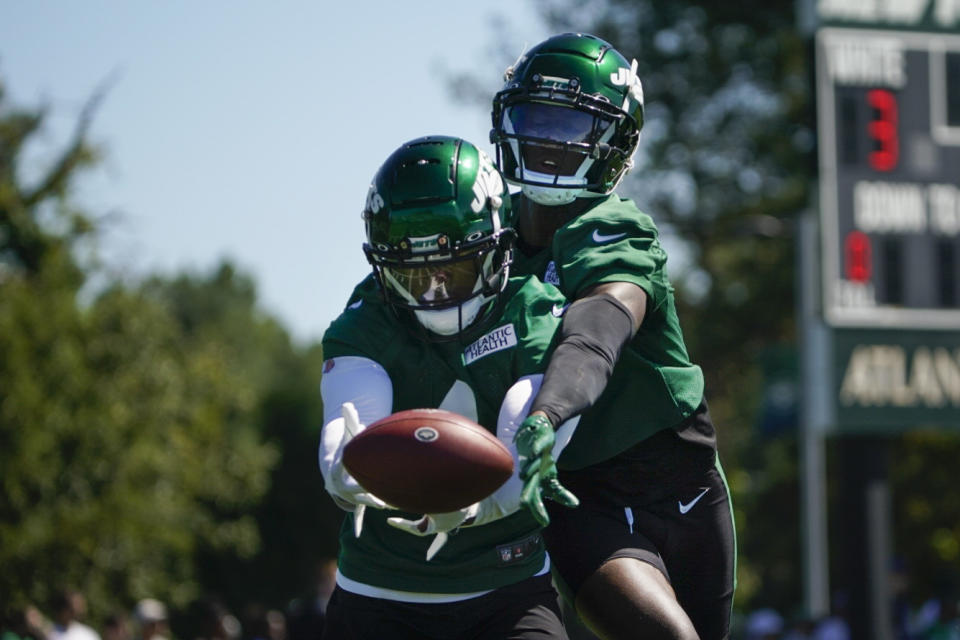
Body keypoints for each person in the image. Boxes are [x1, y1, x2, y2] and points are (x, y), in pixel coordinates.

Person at [489, 32, 737, 640]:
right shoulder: (483, 241)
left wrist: (548, 411)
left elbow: (597, 329)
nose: (548, 139)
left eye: (571, 127)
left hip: (683, 481)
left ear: (614, 143)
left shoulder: (615, 225)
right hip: (576, 491)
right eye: (536, 117)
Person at [318, 135, 595, 639]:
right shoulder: (366, 323)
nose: (435, 291)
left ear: (496, 245)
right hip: (380, 593)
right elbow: (350, 421)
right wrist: (346, 469)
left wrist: (484, 499)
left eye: (454, 267)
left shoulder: (531, 307)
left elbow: (529, 430)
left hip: (505, 589)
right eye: (414, 273)